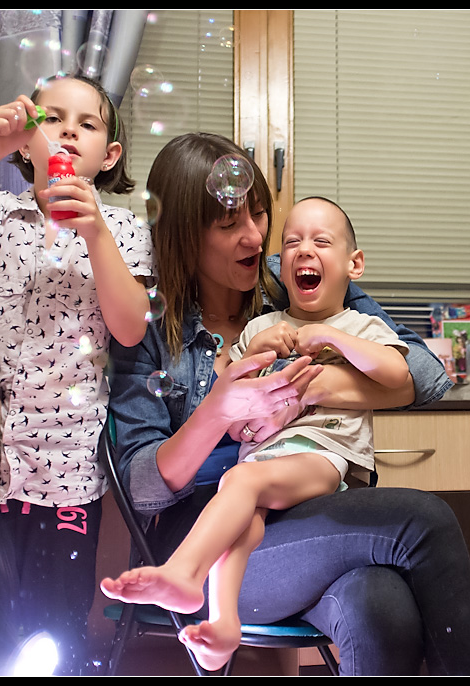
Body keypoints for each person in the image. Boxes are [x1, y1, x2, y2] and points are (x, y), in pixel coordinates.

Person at [104, 132, 470, 675]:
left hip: (308, 509)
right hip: (204, 540)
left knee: (381, 603)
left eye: (259, 215)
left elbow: (424, 374)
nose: (255, 237)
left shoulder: (292, 281)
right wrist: (218, 410)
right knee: (424, 522)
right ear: (183, 237)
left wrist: (309, 389)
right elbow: (142, 488)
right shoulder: (145, 326)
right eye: (228, 225)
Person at [0, 74, 152, 675]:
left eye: (88, 124)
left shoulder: (122, 229)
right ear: (25, 142)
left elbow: (130, 329)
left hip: (65, 464)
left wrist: (94, 232)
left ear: (109, 155)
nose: (68, 130)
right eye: (52, 118)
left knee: (53, 628)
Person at [102, 196, 411, 669]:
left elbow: (401, 373)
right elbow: (231, 407)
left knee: (244, 484)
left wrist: (331, 340)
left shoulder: (358, 324)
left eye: (321, 241)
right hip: (261, 462)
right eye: (292, 242)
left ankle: (184, 572)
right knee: (244, 518)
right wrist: (252, 354)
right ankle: (223, 622)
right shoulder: (261, 325)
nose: (303, 249)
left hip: (324, 456)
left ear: (355, 263)